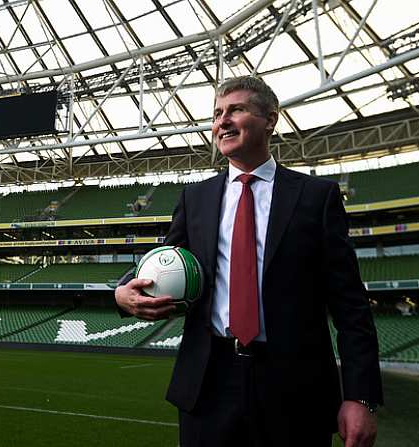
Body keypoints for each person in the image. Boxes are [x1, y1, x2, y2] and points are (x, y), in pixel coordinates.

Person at [115, 76, 382, 446]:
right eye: (217, 113)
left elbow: (350, 305)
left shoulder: (316, 197)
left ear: (270, 119)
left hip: (294, 387)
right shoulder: (196, 198)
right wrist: (122, 293)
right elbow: (163, 259)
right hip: (208, 385)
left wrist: (360, 395)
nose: (222, 121)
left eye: (236, 110)